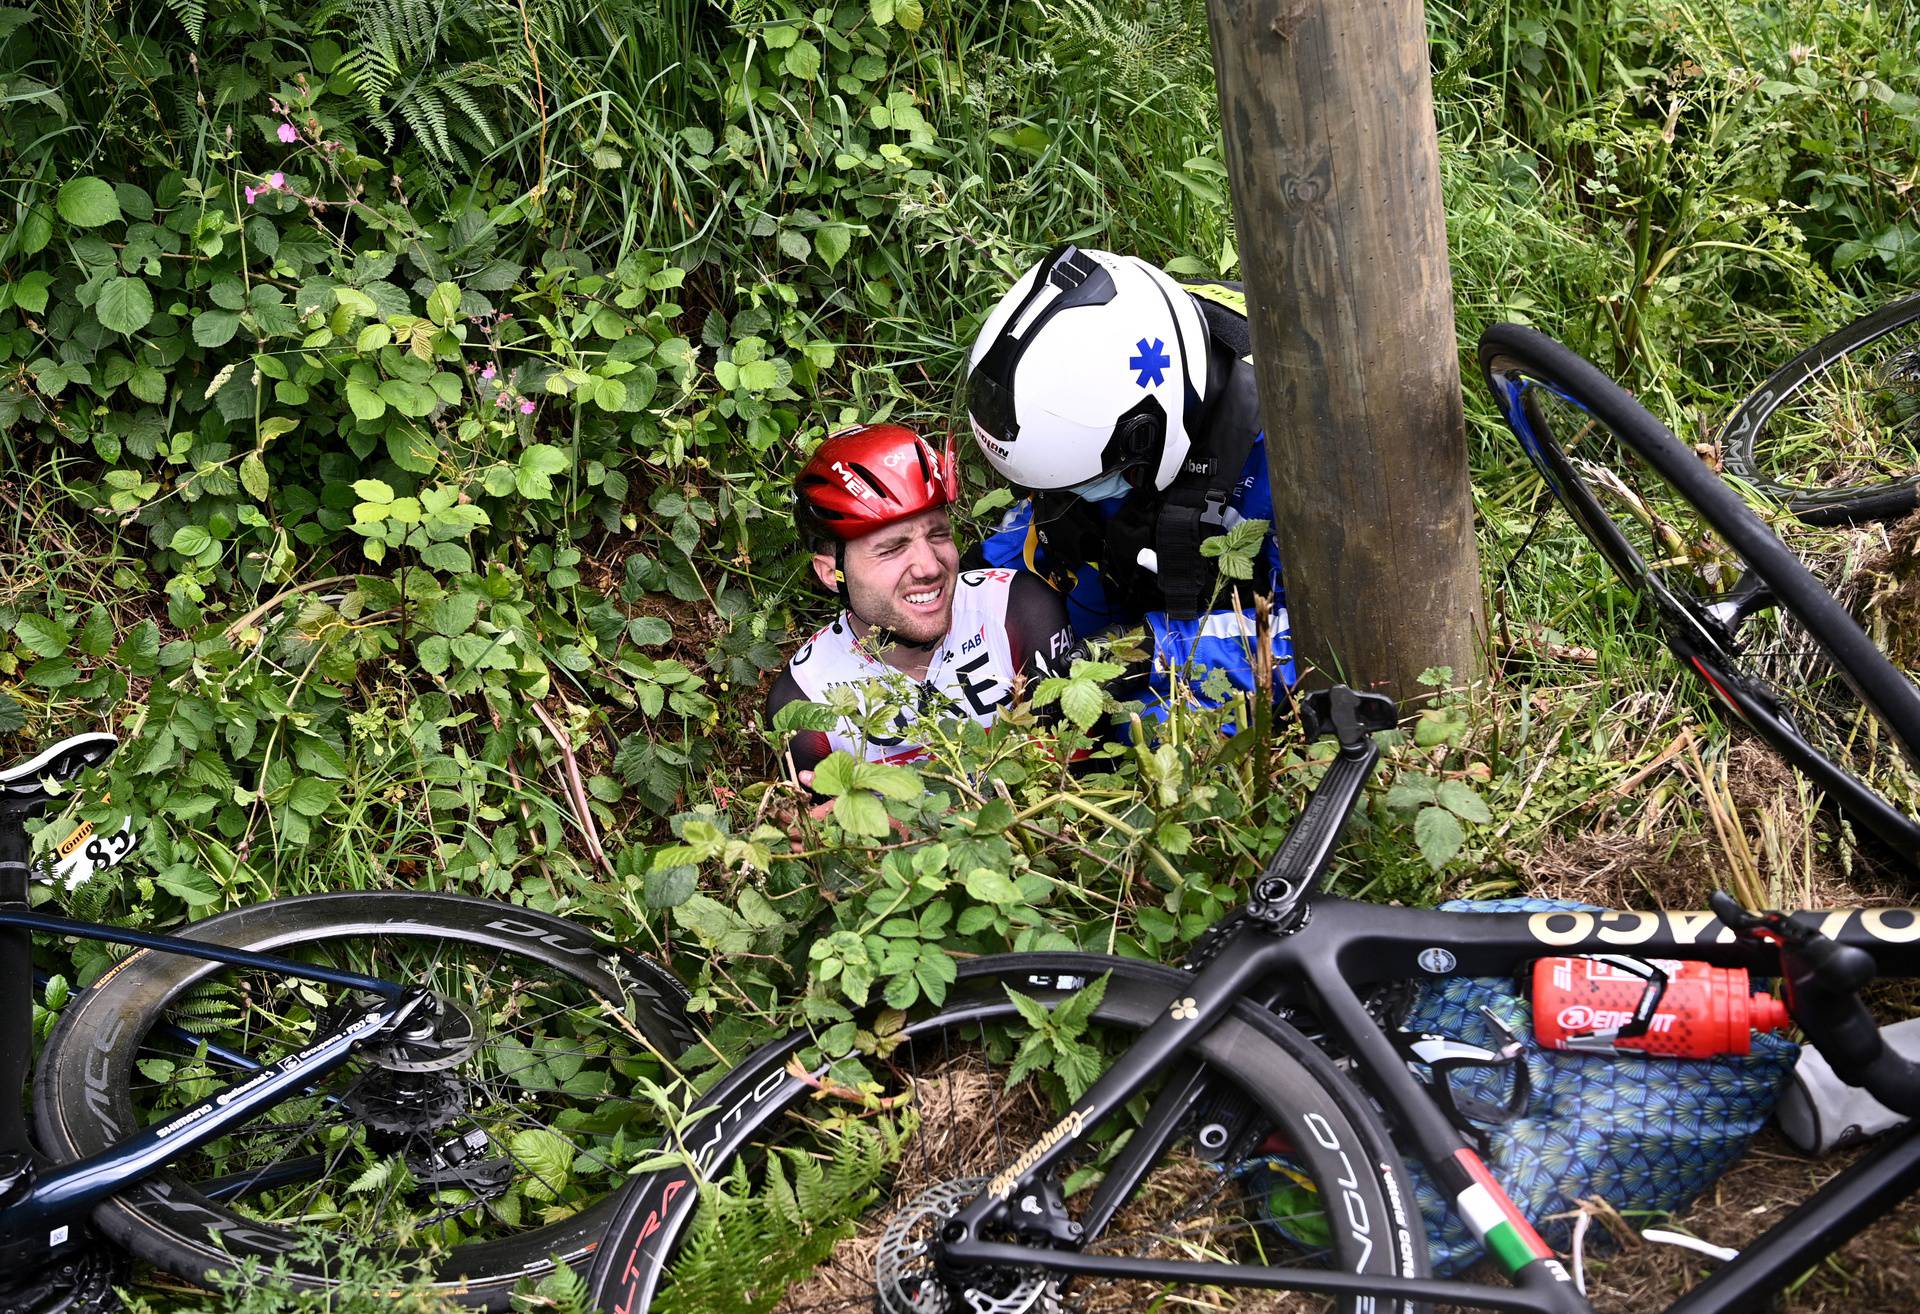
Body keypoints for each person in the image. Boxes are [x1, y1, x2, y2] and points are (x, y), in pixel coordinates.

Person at [965, 244, 1295, 715]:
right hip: (1153, 552)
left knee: (1151, 726)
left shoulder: (1298, 458)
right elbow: (1048, 510)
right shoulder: (1112, 374)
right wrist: (973, 576)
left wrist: (1148, 651)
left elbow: (1322, 639)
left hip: (1247, 617)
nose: (1072, 494)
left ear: (1146, 437)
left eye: (1085, 481)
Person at [767, 423, 1080, 784]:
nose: (930, 566)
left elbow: (1075, 780)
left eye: (938, 534)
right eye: (892, 549)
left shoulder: (1018, 610)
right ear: (830, 573)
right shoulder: (804, 699)